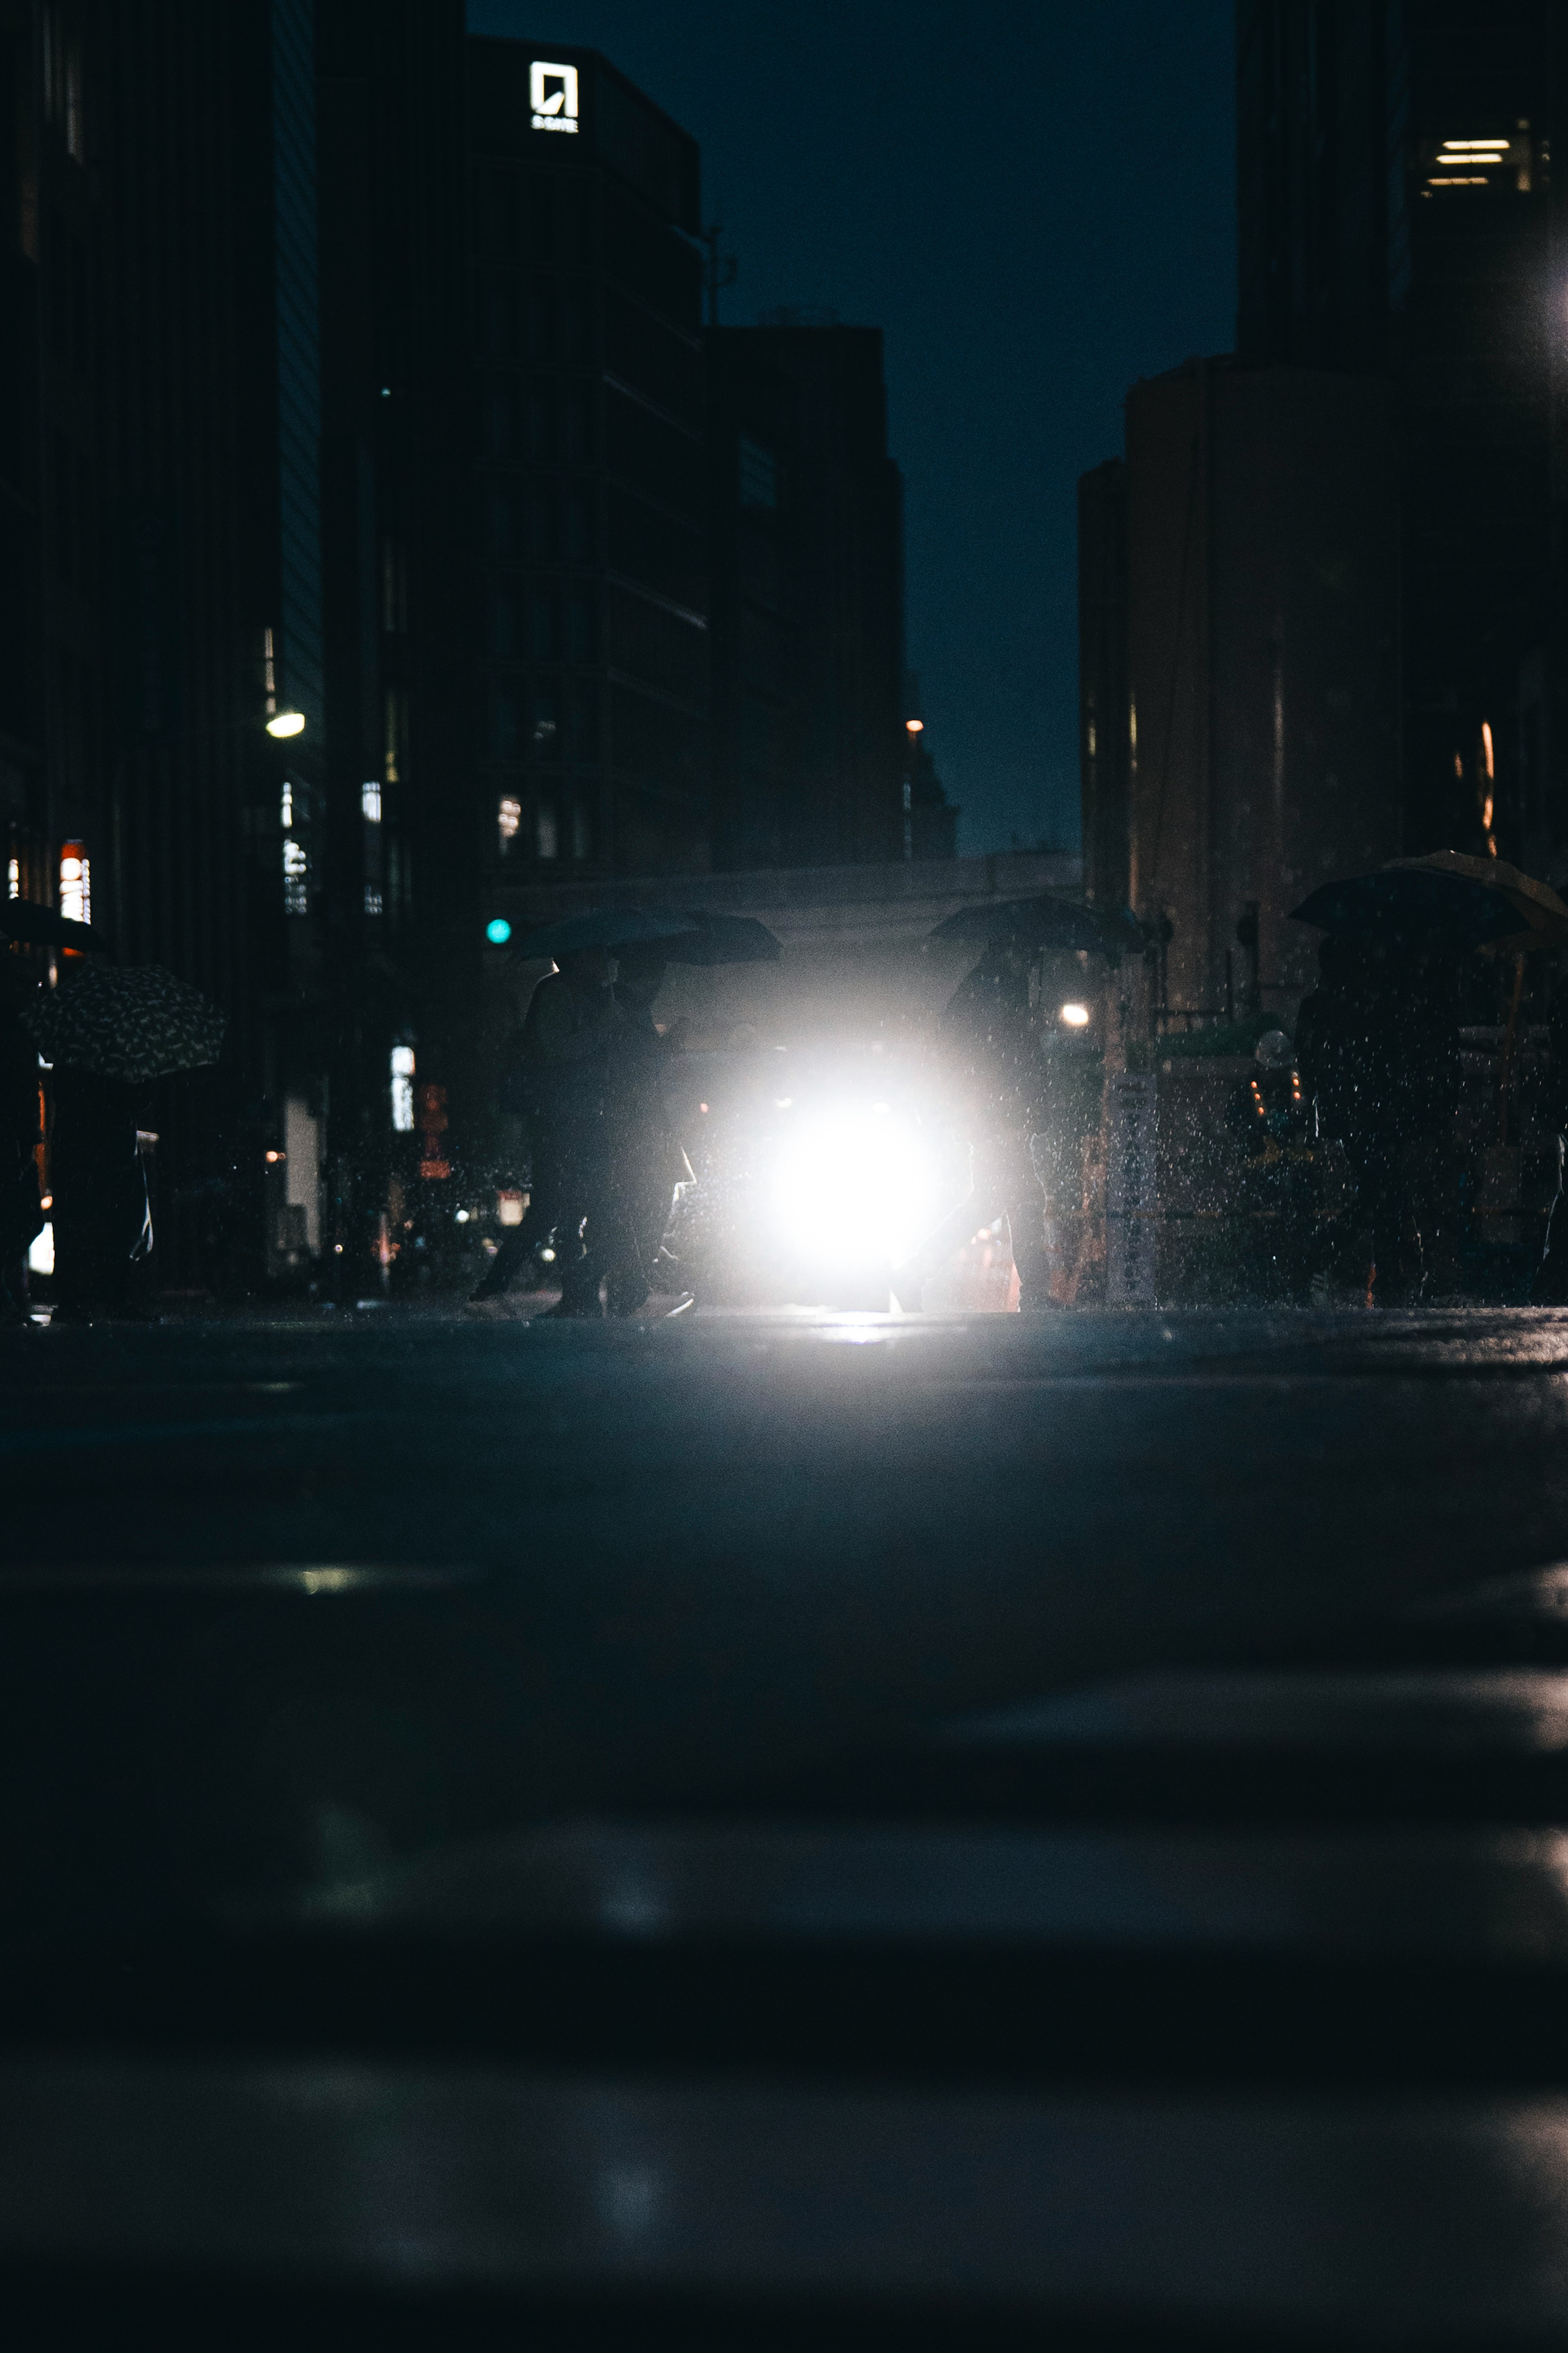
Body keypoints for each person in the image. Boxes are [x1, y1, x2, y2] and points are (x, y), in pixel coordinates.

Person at [893, 939, 1056, 1311]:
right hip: (999, 1115)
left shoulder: (994, 985)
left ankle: (915, 1274)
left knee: (1008, 1198)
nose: (1033, 959)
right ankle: (1035, 1296)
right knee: (1014, 1198)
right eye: (1029, 951)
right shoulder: (994, 987)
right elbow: (998, 1055)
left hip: (998, 1112)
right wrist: (1005, 1106)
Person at [1297, 935, 1458, 1305]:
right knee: (1384, 1191)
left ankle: (1368, 1264)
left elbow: (1312, 1065)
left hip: (1352, 1114)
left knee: (1383, 1191)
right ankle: (1355, 1259)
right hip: (1370, 1113)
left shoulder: (1325, 1006)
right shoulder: (1358, 1005)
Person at [469, 948, 631, 1315]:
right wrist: (601, 1030)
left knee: (574, 1211)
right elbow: (552, 1050)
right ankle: (496, 1289)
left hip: (587, 1117)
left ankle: (577, 1295)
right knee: (555, 1211)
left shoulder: (596, 993)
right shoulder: (557, 992)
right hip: (562, 1120)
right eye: (600, 955)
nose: (608, 962)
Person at [604, 951, 691, 1316]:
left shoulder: (625, 1009)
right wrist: (669, 1045)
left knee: (641, 1212)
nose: (655, 988)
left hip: (638, 1132)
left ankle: (631, 1284)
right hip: (638, 1132)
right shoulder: (620, 1011)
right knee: (644, 1212)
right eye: (652, 978)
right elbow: (638, 1071)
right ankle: (630, 1285)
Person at [1225, 1028, 1314, 1302]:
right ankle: (1255, 1290)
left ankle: (1298, 1289)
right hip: (1259, 1180)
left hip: (1298, 1179)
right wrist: (1258, 1129)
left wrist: (1295, 1124)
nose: (1274, 1075)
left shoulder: (1300, 1089)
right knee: (1259, 1237)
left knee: (1298, 1238)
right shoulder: (1245, 1091)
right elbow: (1234, 1123)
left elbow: (1314, 1125)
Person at [0, 952, 44, 1319]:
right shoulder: (14, 1031)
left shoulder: (18, 1029)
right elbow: (17, 1089)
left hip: (16, 1133)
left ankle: (12, 1294)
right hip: (11, 1134)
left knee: (21, 1214)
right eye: (27, 984)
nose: (33, 992)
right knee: (21, 1213)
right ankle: (12, 1294)